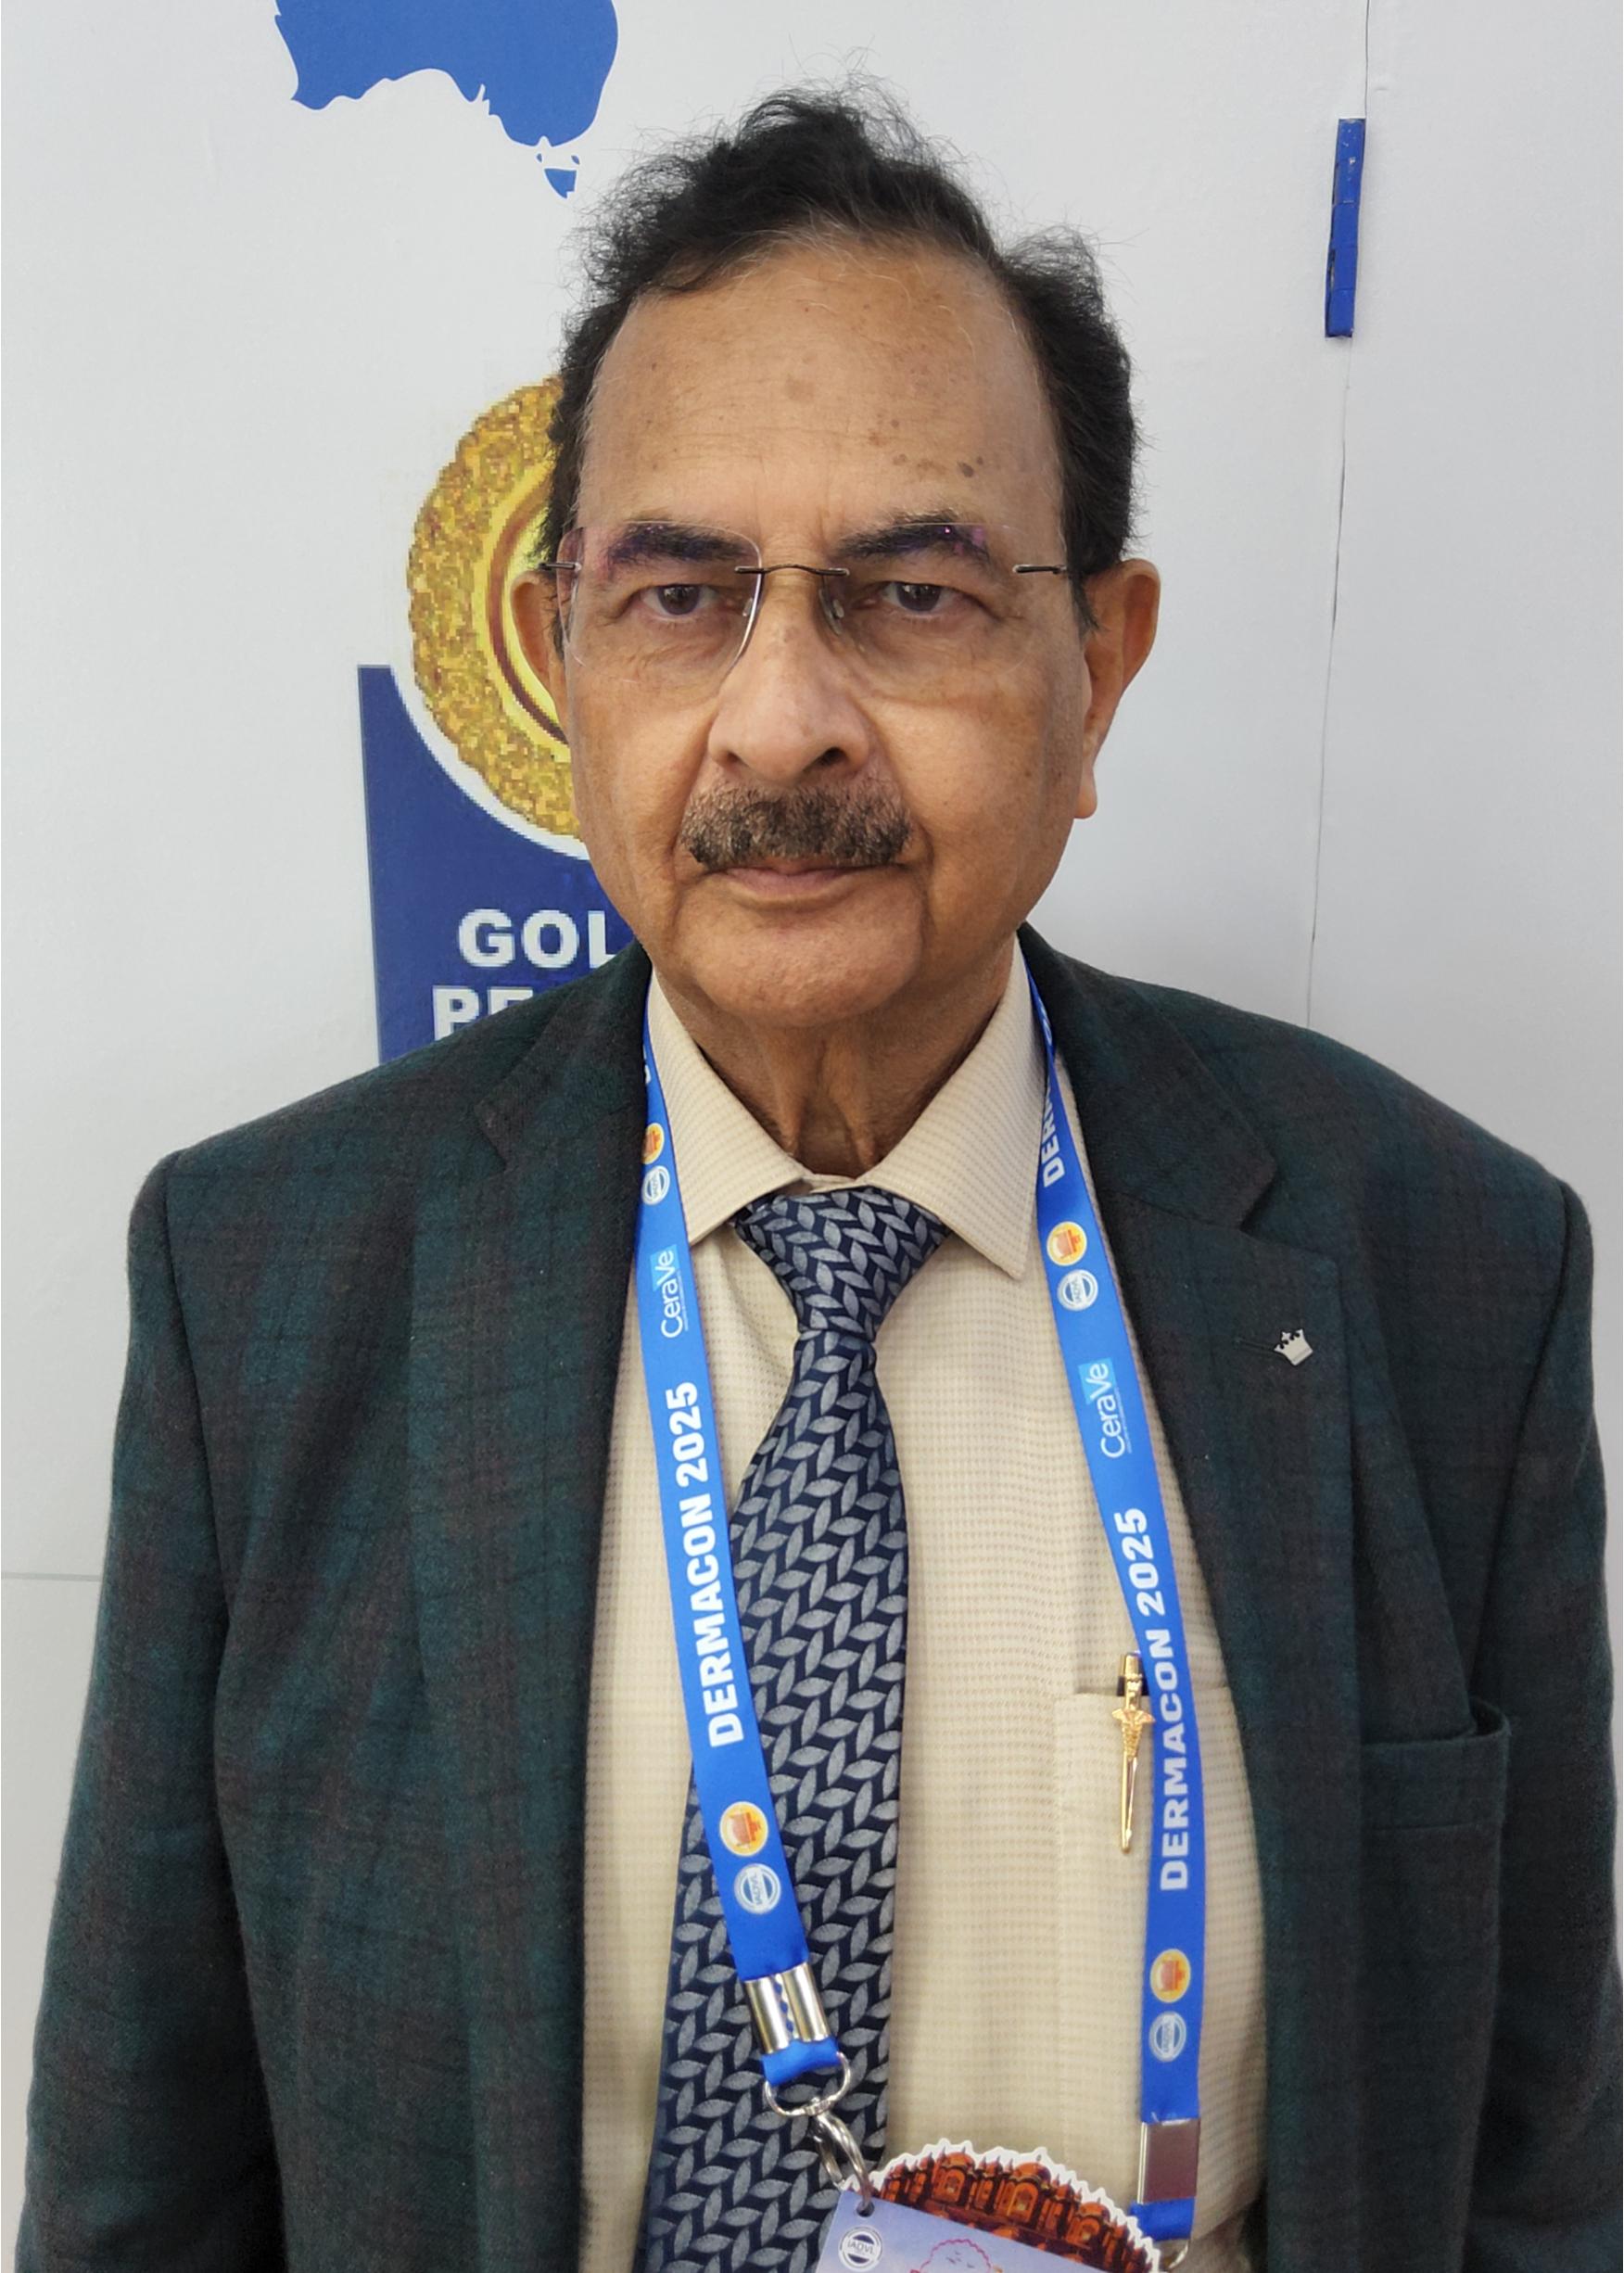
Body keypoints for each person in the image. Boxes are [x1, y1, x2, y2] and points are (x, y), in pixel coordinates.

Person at [18, 83, 1618, 2273]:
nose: (780, 723)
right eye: (681, 595)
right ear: (567, 655)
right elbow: (141, 2182)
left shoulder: (1437, 1270)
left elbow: (1532, 2167)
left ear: (1098, 665)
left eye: (912, 591)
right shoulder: (269, 1277)